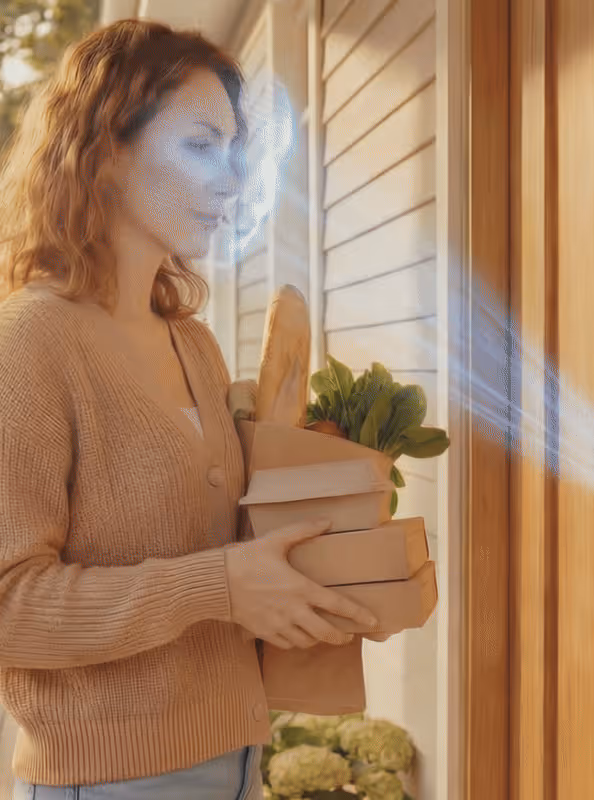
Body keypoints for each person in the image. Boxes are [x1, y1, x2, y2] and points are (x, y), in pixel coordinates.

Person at [0, 18, 384, 799]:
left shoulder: (193, 345)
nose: (232, 179)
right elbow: (11, 605)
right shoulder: (32, 341)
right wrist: (221, 587)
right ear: (107, 151)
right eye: (201, 146)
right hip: (109, 780)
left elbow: (228, 548)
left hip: (236, 756)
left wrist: (326, 564)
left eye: (234, 150)